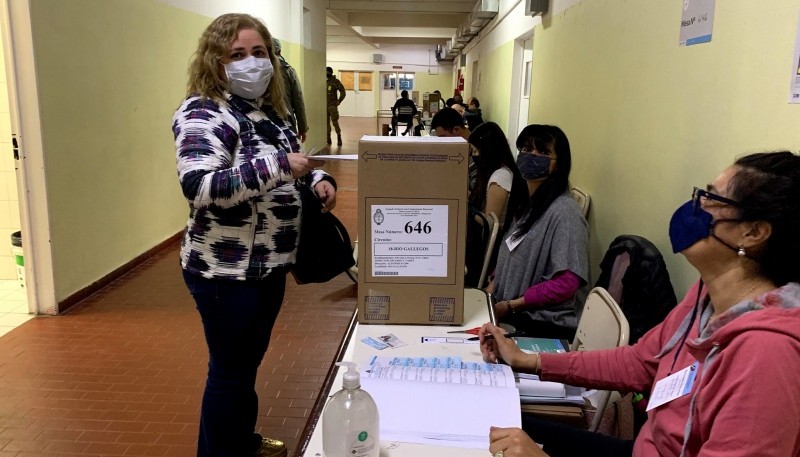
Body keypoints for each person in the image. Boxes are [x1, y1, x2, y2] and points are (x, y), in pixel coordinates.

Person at [481, 151, 800, 457]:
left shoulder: (768, 355)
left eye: (712, 198)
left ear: (754, 232)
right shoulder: (706, 297)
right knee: (485, 424)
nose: (695, 206)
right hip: (643, 449)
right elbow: (640, 363)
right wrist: (528, 361)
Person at [172, 13, 334, 457]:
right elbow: (200, 186)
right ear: (216, 62)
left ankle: (240, 442)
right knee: (229, 372)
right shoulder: (204, 111)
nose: (252, 63)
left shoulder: (269, 112)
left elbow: (290, 161)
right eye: (238, 55)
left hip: (267, 266)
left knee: (245, 366)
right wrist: (283, 167)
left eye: (259, 53)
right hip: (226, 272)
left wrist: (317, 176)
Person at [487, 125, 589, 340]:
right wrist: (492, 286)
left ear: (558, 165)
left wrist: (511, 306)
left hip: (543, 322)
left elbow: (567, 283)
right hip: (508, 309)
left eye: (543, 153)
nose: (532, 156)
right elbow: (512, 249)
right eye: (526, 149)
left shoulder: (565, 213)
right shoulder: (531, 205)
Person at [467, 122, 527, 233]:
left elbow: (490, 223)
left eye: (475, 151)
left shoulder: (500, 177)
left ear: (487, 151)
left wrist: (467, 210)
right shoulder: (498, 172)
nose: (474, 156)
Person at [272, 38, 308, 142]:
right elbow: (298, 100)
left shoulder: (258, 71)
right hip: (286, 120)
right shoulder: (288, 70)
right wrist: (303, 128)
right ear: (279, 51)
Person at [326, 66, 346, 146]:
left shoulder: (335, 82)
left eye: (327, 72)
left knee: (335, 122)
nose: (326, 74)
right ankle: (328, 138)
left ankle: (339, 136)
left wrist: (339, 101)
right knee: (326, 123)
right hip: (324, 106)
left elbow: (343, 92)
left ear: (330, 72)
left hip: (332, 106)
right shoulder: (324, 81)